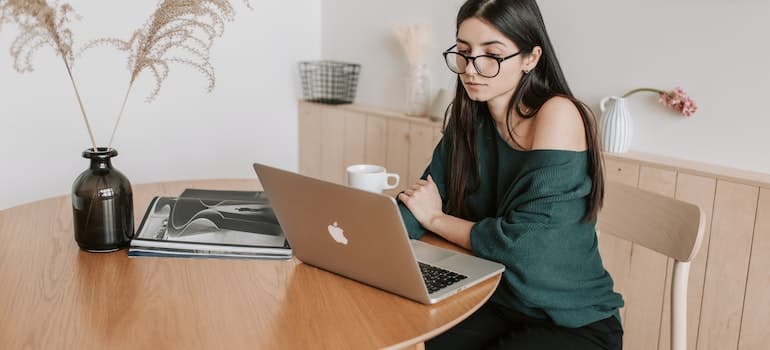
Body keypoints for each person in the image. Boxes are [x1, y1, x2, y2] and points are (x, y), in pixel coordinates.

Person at [396, 0, 624, 349]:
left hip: (570, 321)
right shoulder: (467, 119)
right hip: (494, 301)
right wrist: (362, 237)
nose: (471, 68)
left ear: (530, 58)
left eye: (491, 54)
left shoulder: (557, 114)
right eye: (463, 52)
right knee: (405, 334)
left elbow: (524, 248)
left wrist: (438, 220)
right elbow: (420, 205)